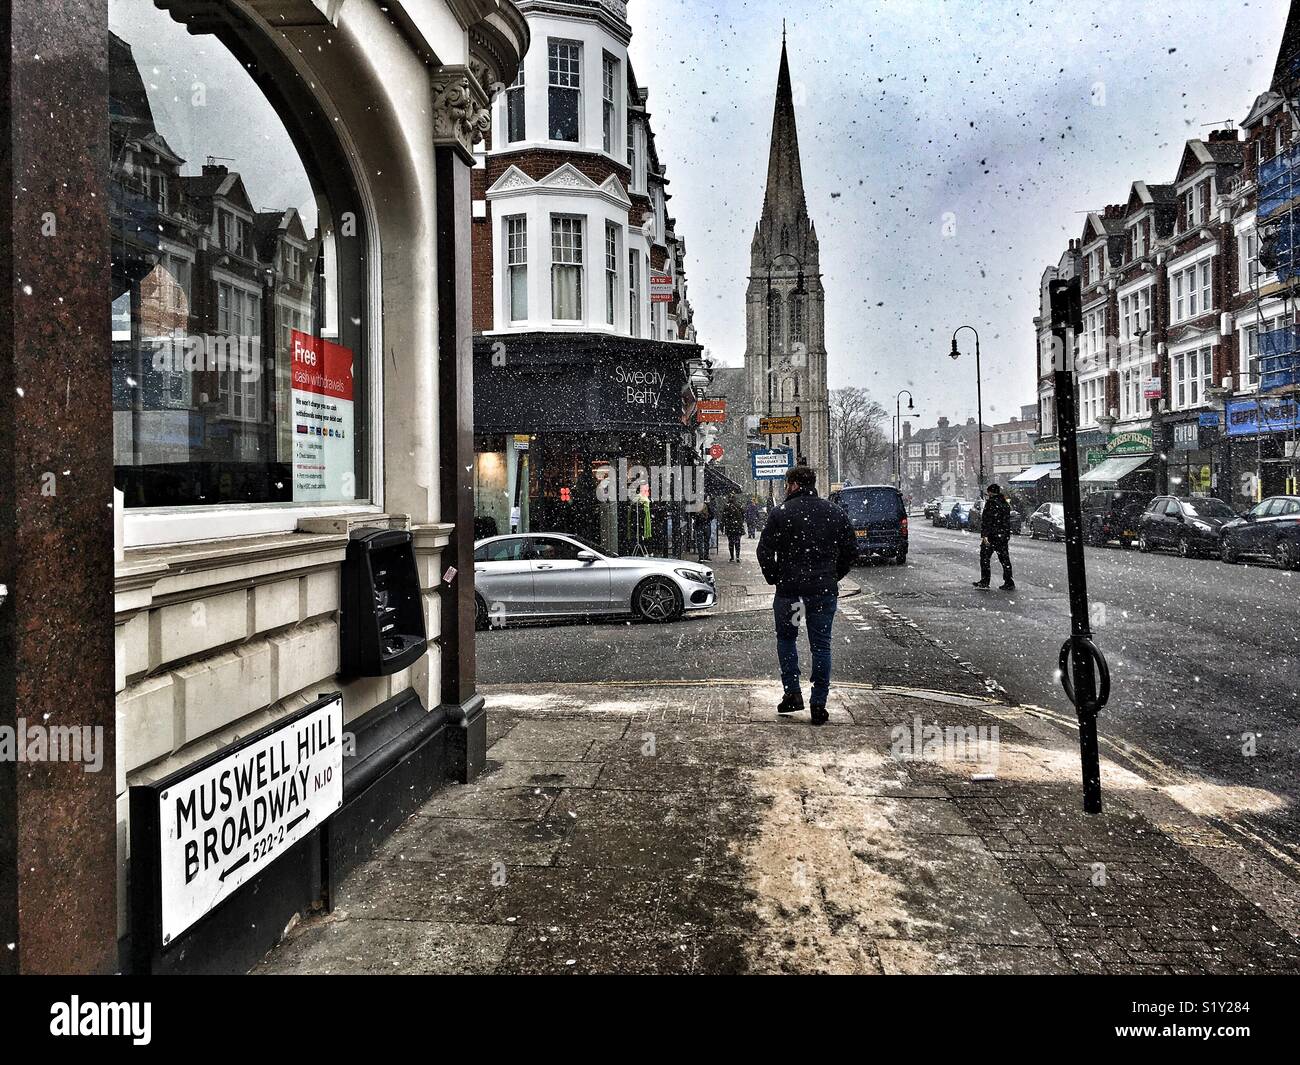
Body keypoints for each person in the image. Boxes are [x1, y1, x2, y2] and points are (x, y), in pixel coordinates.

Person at [756, 465, 857, 726]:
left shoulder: (781, 513)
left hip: (790, 592)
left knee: (787, 639)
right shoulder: (834, 512)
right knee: (821, 646)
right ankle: (818, 703)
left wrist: (775, 576)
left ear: (793, 485)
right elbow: (851, 550)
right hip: (822, 591)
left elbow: (764, 551)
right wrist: (833, 575)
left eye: (787, 484)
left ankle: (792, 693)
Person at [973, 483, 1015, 590]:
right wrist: (1005, 534)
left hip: (992, 536)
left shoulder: (991, 503)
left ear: (991, 492)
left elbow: (987, 520)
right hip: (1002, 535)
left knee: (985, 558)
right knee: (1005, 559)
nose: (988, 494)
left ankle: (985, 581)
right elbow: (1006, 521)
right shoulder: (1005, 503)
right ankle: (1009, 581)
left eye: (988, 492)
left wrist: (985, 535)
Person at [720, 494, 746, 562]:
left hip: (730, 527)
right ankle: (737, 556)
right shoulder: (739, 506)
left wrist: (722, 526)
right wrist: (740, 522)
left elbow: (723, 518)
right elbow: (743, 515)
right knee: (737, 542)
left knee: (731, 543)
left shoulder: (727, 507)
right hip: (738, 527)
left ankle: (732, 557)